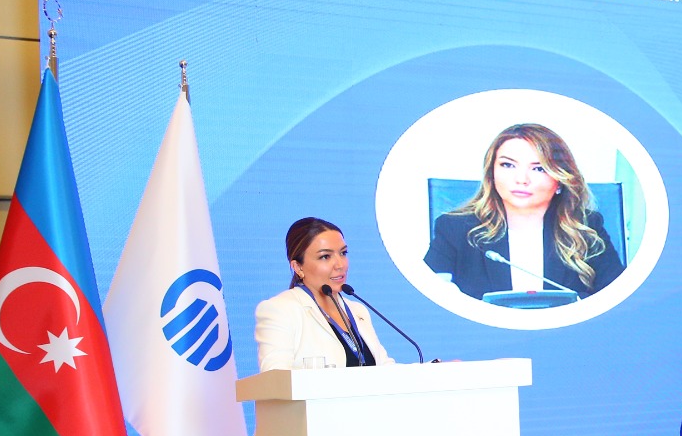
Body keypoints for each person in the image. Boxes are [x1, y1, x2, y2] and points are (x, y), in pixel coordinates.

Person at [424, 123, 624, 302]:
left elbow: (617, 297)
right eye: (508, 165)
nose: (521, 179)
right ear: (492, 174)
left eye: (539, 169)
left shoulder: (585, 227)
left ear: (560, 180)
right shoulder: (455, 228)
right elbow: (429, 295)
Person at [256, 217, 396, 370]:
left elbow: (386, 369)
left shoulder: (357, 311)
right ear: (298, 267)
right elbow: (275, 378)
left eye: (343, 253)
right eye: (325, 256)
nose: (340, 265)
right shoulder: (281, 310)